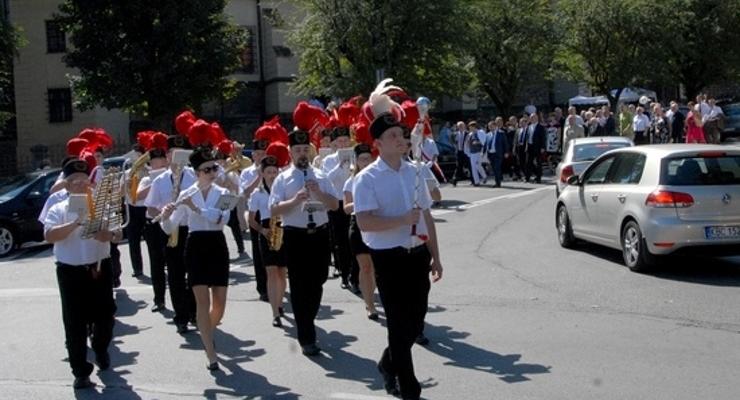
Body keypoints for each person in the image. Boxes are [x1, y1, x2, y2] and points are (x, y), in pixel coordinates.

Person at [354, 109, 443, 400]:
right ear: (378, 143)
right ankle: (409, 388)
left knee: (416, 322)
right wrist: (401, 220)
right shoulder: (367, 178)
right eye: (391, 136)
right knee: (397, 322)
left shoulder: (415, 171)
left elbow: (426, 217)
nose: (399, 139)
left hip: (417, 255)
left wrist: (436, 255)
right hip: (388, 258)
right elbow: (365, 222)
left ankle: (386, 362)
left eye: (401, 135)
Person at [44, 158, 120, 389]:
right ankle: (80, 371)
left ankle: (100, 348)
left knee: (106, 316)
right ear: (66, 185)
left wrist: (106, 234)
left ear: (89, 182)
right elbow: (49, 235)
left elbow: (117, 235)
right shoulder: (58, 208)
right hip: (70, 271)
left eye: (83, 180)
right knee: (74, 322)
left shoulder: (103, 205)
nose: (79, 184)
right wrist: (75, 223)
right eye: (73, 181)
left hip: (98, 267)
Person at [159, 146, 233, 371]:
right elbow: (171, 227)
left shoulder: (224, 193)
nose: (212, 172)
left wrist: (197, 209)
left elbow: (221, 219)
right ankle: (210, 352)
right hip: (195, 246)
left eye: (213, 168)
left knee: (219, 305)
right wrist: (165, 216)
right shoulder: (186, 194)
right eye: (206, 169)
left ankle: (206, 332)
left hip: (217, 244)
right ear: (197, 172)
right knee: (203, 302)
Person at [269, 129, 338, 356]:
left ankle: (307, 318)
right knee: (299, 285)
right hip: (295, 235)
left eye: (304, 150)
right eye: (297, 150)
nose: (301, 154)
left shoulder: (320, 175)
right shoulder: (283, 178)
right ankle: (307, 336)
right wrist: (294, 200)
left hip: (319, 234)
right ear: (290, 152)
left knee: (318, 280)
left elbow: (335, 205)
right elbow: (274, 208)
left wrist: (318, 193)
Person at [144, 134, 197, 333]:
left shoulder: (194, 177)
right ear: (167, 156)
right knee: (175, 275)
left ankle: (194, 312)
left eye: (182, 154)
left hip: (192, 230)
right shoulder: (159, 181)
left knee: (193, 274)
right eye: (174, 154)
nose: (178, 158)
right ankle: (181, 317)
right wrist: (163, 215)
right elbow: (149, 208)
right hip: (170, 229)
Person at [248, 155, 289, 327]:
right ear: (262, 174)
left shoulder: (284, 189)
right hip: (267, 230)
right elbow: (251, 219)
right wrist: (262, 230)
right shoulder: (257, 193)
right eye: (269, 172)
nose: (272, 175)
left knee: (281, 272)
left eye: (275, 171)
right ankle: (275, 312)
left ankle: (279, 303)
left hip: (283, 228)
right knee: (271, 271)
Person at [342, 143, 380, 320]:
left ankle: (373, 296)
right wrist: (363, 202)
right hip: (357, 224)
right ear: (356, 161)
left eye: (368, 158)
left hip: (376, 224)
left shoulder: (378, 177)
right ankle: (370, 304)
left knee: (375, 267)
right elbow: (346, 208)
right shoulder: (352, 180)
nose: (365, 162)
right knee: (365, 267)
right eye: (362, 159)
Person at [135, 148, 169, 310]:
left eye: (162, 159)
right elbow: (138, 195)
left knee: (175, 261)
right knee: (156, 263)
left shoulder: (171, 177)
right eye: (156, 160)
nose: (160, 162)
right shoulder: (147, 180)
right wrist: (155, 182)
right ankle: (159, 299)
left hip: (171, 221)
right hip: (153, 224)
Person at [322, 126, 355, 290]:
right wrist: (340, 166)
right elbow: (326, 180)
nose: (343, 144)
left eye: (345, 141)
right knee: (340, 240)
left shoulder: (355, 156)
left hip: (352, 201)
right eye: (340, 141)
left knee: (354, 239)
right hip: (336, 202)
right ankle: (344, 273)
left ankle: (355, 273)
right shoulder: (329, 160)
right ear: (335, 143)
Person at [240, 139, 269, 302]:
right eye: (257, 154)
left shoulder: (273, 169)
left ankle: (274, 281)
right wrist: (258, 176)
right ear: (253, 155)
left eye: (263, 154)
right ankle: (262, 287)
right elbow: (245, 192)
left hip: (270, 211)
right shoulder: (247, 172)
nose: (260, 157)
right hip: (255, 212)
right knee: (258, 252)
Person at [485, 118, 509, 187]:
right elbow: (486, 144)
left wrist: (506, 152)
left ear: (495, 126)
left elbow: (505, 143)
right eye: (489, 126)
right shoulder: (488, 135)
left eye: (491, 126)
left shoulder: (501, 133)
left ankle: (498, 183)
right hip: (491, 154)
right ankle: (498, 180)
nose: (490, 128)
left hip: (498, 153)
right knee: (494, 168)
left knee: (497, 168)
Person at [525, 113, 546, 183]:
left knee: (538, 162)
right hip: (530, 146)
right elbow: (527, 137)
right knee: (528, 162)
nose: (532, 119)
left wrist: (543, 147)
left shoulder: (540, 127)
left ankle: (538, 178)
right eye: (531, 118)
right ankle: (527, 177)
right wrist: (526, 146)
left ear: (537, 118)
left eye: (534, 117)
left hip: (537, 146)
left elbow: (543, 138)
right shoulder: (528, 127)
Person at [464, 121, 487, 186]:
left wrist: (477, 143)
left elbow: (483, 142)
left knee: (478, 165)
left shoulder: (480, 132)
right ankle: (476, 182)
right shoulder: (470, 134)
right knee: (473, 167)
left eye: (470, 127)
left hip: (479, 152)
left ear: (474, 127)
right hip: (472, 153)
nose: (469, 128)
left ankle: (484, 176)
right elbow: (468, 142)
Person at [451, 121, 469, 186]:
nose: (461, 127)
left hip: (466, 152)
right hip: (459, 152)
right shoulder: (455, 134)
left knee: (469, 165)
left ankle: (474, 180)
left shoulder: (467, 134)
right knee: (458, 166)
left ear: (464, 126)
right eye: (459, 126)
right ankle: (454, 180)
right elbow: (453, 142)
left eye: (462, 126)